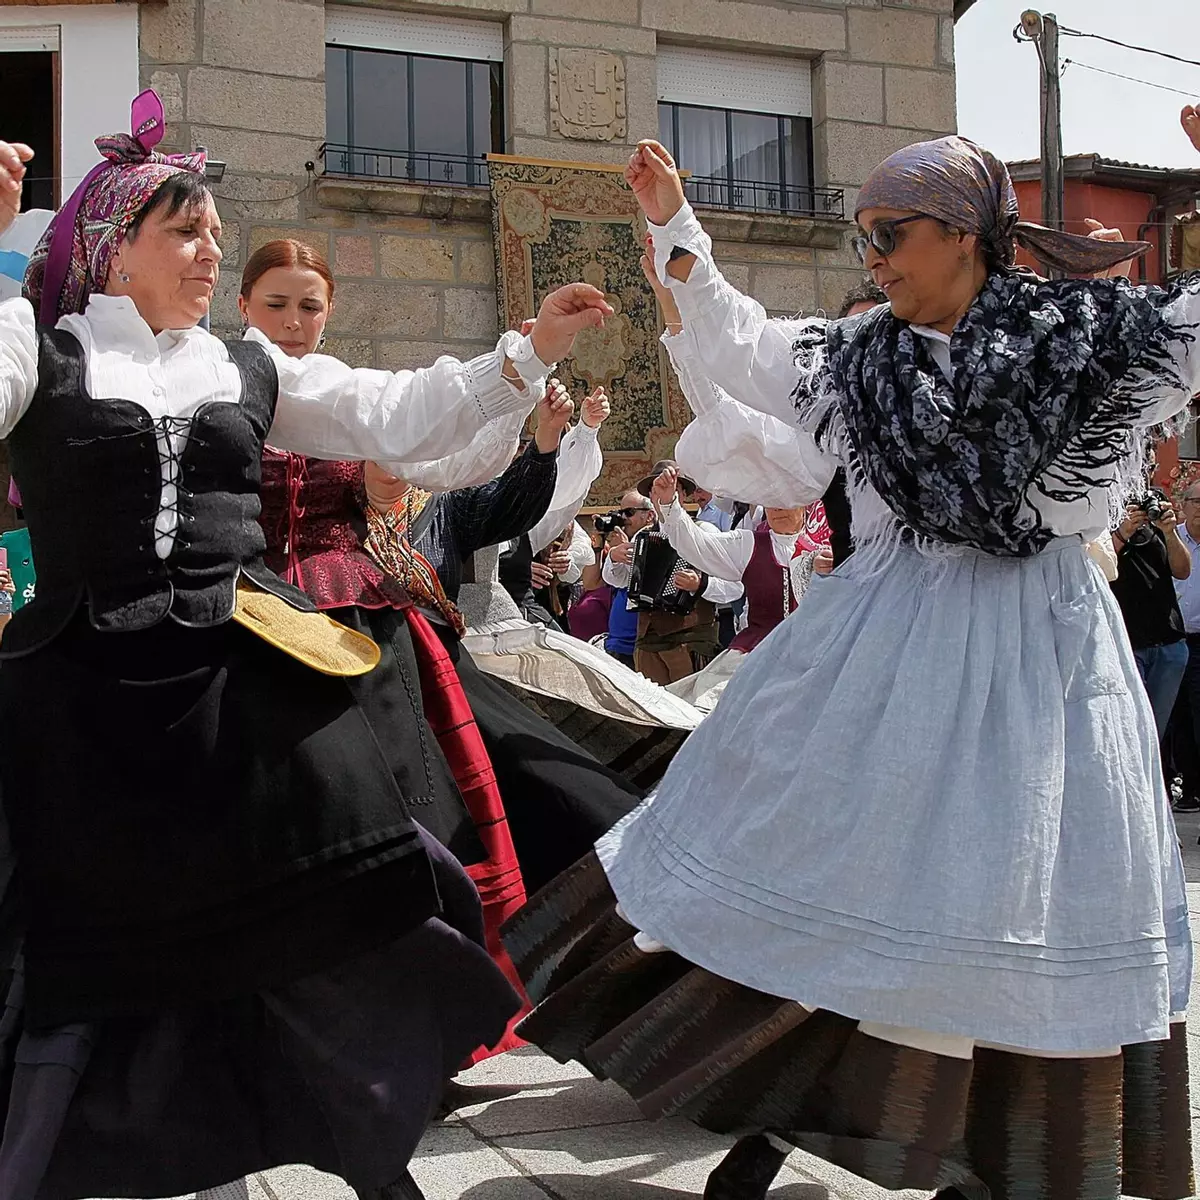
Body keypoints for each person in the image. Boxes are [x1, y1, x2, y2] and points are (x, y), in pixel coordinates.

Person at [504, 127, 1200, 1200]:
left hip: (1043, 661)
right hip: (884, 650)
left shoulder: (1088, 340)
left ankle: (999, 1156)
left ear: (965, 234)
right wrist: (673, 224)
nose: (873, 257)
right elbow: (738, 341)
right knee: (829, 867)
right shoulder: (856, 359)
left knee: (1020, 896)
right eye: (862, 236)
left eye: (892, 234)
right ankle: (777, 1111)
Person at [0, 92, 613, 1200]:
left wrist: (528, 351)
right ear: (114, 247)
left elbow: (395, 413)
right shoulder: (44, 356)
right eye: (186, 232)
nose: (209, 251)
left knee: (333, 892)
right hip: (86, 698)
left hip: (237, 680)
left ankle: (364, 1131)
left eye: (213, 234)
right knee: (102, 941)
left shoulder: (246, 367)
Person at [240, 237, 581, 1063]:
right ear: (243, 305)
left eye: (309, 306)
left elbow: (451, 461)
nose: (293, 321)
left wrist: (522, 379)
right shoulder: (216, 381)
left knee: (411, 802)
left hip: (360, 612)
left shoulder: (345, 394)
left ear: (330, 312)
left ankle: (426, 1016)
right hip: (250, 611)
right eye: (277, 304)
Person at [653, 466, 834, 713]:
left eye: (784, 502)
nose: (776, 509)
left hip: (814, 655)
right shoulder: (749, 544)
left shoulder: (826, 548)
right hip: (757, 651)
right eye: (770, 503)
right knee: (713, 701)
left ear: (804, 505)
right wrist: (670, 505)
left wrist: (833, 571)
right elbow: (699, 546)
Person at [603, 461, 743, 685]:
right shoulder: (642, 537)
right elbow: (618, 580)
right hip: (648, 642)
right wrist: (613, 557)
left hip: (691, 640)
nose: (663, 494)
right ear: (651, 495)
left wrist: (702, 585)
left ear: (683, 495)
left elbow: (735, 586)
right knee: (650, 704)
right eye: (657, 489)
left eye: (671, 489)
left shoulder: (705, 532)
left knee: (689, 704)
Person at [1109, 487, 1190, 740]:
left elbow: (1183, 571)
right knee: (1130, 730)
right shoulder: (1105, 513)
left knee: (1155, 732)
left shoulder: (1156, 518)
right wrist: (1122, 533)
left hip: (1169, 642)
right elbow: (1097, 567)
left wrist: (1169, 532)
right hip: (1127, 642)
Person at [1170, 481, 1200, 813]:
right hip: (1172, 638)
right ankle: (1185, 788)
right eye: (1197, 501)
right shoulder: (1169, 538)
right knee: (1175, 716)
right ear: (1184, 505)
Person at [602, 490, 655, 667]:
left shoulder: (654, 539)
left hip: (641, 644)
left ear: (649, 516)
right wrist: (612, 555)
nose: (623, 518)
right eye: (621, 512)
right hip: (618, 641)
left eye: (629, 512)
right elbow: (614, 580)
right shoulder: (626, 541)